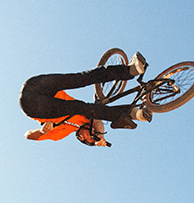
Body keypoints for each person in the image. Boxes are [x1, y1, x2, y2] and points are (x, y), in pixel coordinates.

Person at [20, 52, 151, 145]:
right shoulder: (88, 118)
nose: (91, 132)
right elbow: (97, 117)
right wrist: (100, 136)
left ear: (81, 138)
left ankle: (130, 71)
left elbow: (28, 136)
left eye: (91, 136)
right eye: (93, 134)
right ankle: (133, 110)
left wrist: (42, 132)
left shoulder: (61, 133)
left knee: (80, 91)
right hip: (40, 92)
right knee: (81, 96)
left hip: (32, 103)